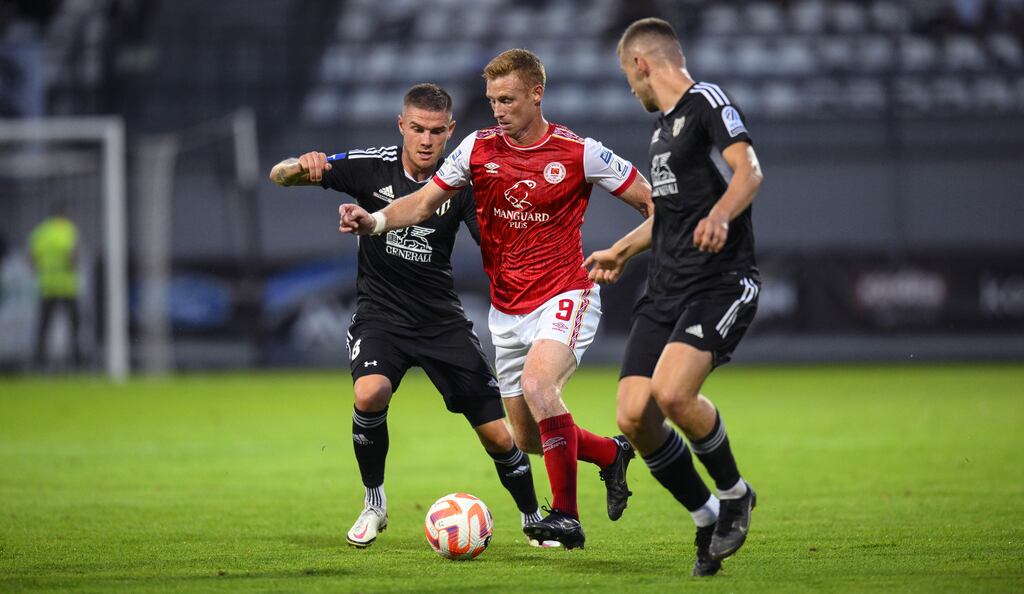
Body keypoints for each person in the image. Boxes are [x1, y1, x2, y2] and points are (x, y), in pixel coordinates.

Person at [339, 49, 654, 550]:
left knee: (538, 385)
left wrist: (622, 250)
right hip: (507, 310)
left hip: (565, 292)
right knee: (527, 438)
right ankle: (611, 455)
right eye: (491, 101)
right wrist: (374, 222)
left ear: (537, 94)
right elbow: (421, 204)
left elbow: (657, 205)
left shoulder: (580, 152)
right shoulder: (476, 149)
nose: (499, 110)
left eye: (508, 99)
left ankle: (565, 517)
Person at [269, 83, 555, 549]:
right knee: (370, 392)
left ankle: (532, 518)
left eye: (436, 131)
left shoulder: (459, 180)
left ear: (450, 132)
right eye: (417, 129)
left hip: (441, 321)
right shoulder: (373, 165)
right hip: (381, 316)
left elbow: (493, 243)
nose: (426, 140)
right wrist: (304, 165)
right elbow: (278, 175)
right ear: (402, 125)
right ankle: (374, 504)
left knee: (500, 437)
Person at [586, 18, 765, 576]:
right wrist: (621, 250)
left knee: (671, 394)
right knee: (634, 416)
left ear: (642, 64)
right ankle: (706, 515)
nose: (630, 88)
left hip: (718, 283)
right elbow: (667, 216)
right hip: (665, 290)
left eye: (627, 76)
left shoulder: (705, 101)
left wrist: (719, 214)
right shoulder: (662, 130)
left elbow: (749, 171)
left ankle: (735, 493)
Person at [29, 201, 81, 369]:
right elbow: (73, 256)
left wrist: (40, 270)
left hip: (47, 284)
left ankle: (39, 360)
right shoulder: (68, 230)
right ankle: (76, 360)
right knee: (73, 324)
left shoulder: (42, 231)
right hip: (67, 285)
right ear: (64, 215)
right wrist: (73, 267)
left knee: (44, 325)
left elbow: (31, 255)